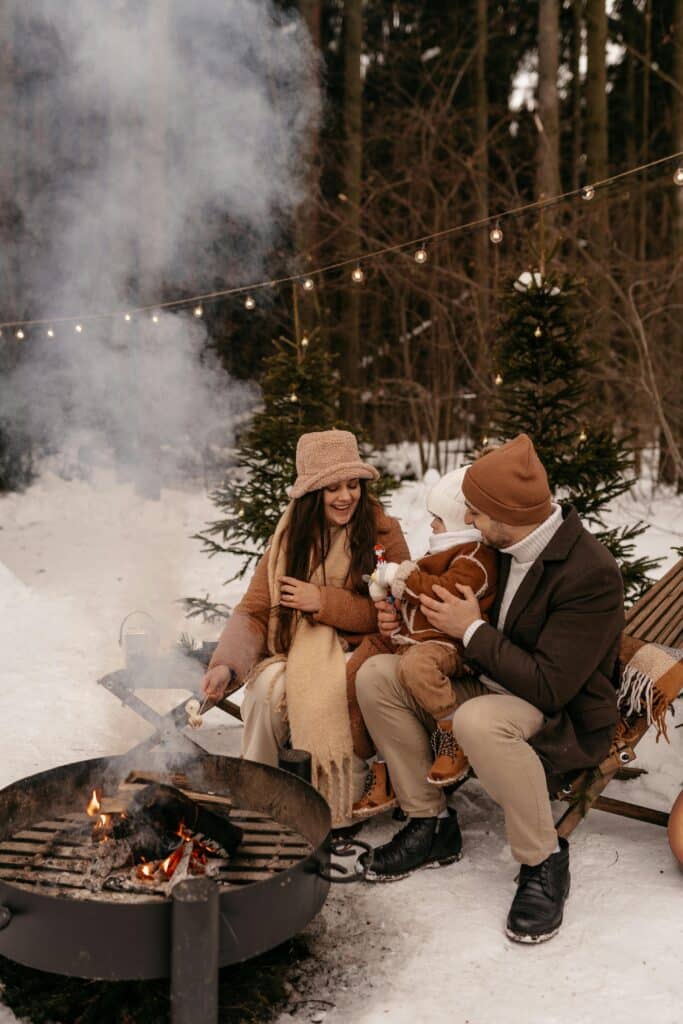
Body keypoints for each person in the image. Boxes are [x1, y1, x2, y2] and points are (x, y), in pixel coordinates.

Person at [355, 433, 624, 944]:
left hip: (557, 712)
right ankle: (428, 825)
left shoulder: (590, 573)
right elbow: (444, 600)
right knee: (377, 676)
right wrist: (406, 621)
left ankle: (542, 859)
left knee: (479, 720)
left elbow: (550, 687)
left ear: (506, 514)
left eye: (477, 514)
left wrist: (471, 630)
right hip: (488, 681)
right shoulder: (499, 546)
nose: (469, 523)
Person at [201, 428, 409, 826]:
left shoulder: (383, 531)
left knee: (332, 683)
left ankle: (335, 802)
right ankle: (260, 796)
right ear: (313, 493)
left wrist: (323, 602)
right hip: (295, 649)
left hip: (362, 650)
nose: (346, 496)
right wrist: (226, 665)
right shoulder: (287, 538)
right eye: (332, 488)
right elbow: (255, 611)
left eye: (353, 485)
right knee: (265, 690)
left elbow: (399, 611)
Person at [348, 466, 497, 819]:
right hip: (422, 643)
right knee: (365, 676)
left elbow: (444, 593)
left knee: (414, 667)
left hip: (452, 649)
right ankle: (383, 767)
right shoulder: (441, 554)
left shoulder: (475, 558)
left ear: (460, 522)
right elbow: (418, 598)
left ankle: (451, 731)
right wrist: (394, 608)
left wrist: (403, 577)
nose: (431, 527)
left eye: (438, 521)